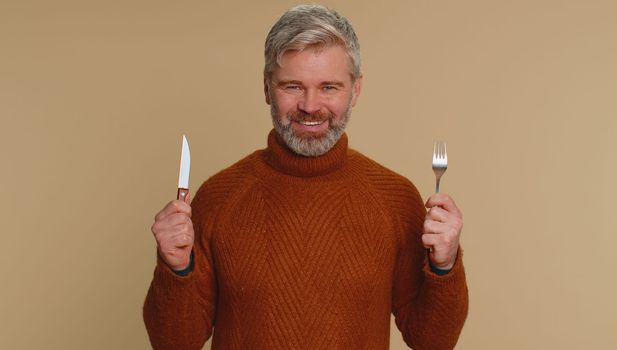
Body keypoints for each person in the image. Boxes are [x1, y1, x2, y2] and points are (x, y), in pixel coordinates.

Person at [144, 4, 468, 350]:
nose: (311, 106)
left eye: (329, 87)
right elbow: (175, 343)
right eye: (292, 86)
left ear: (355, 90)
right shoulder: (220, 197)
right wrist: (176, 270)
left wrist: (444, 266)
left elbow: (432, 341)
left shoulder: (395, 199)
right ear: (267, 88)